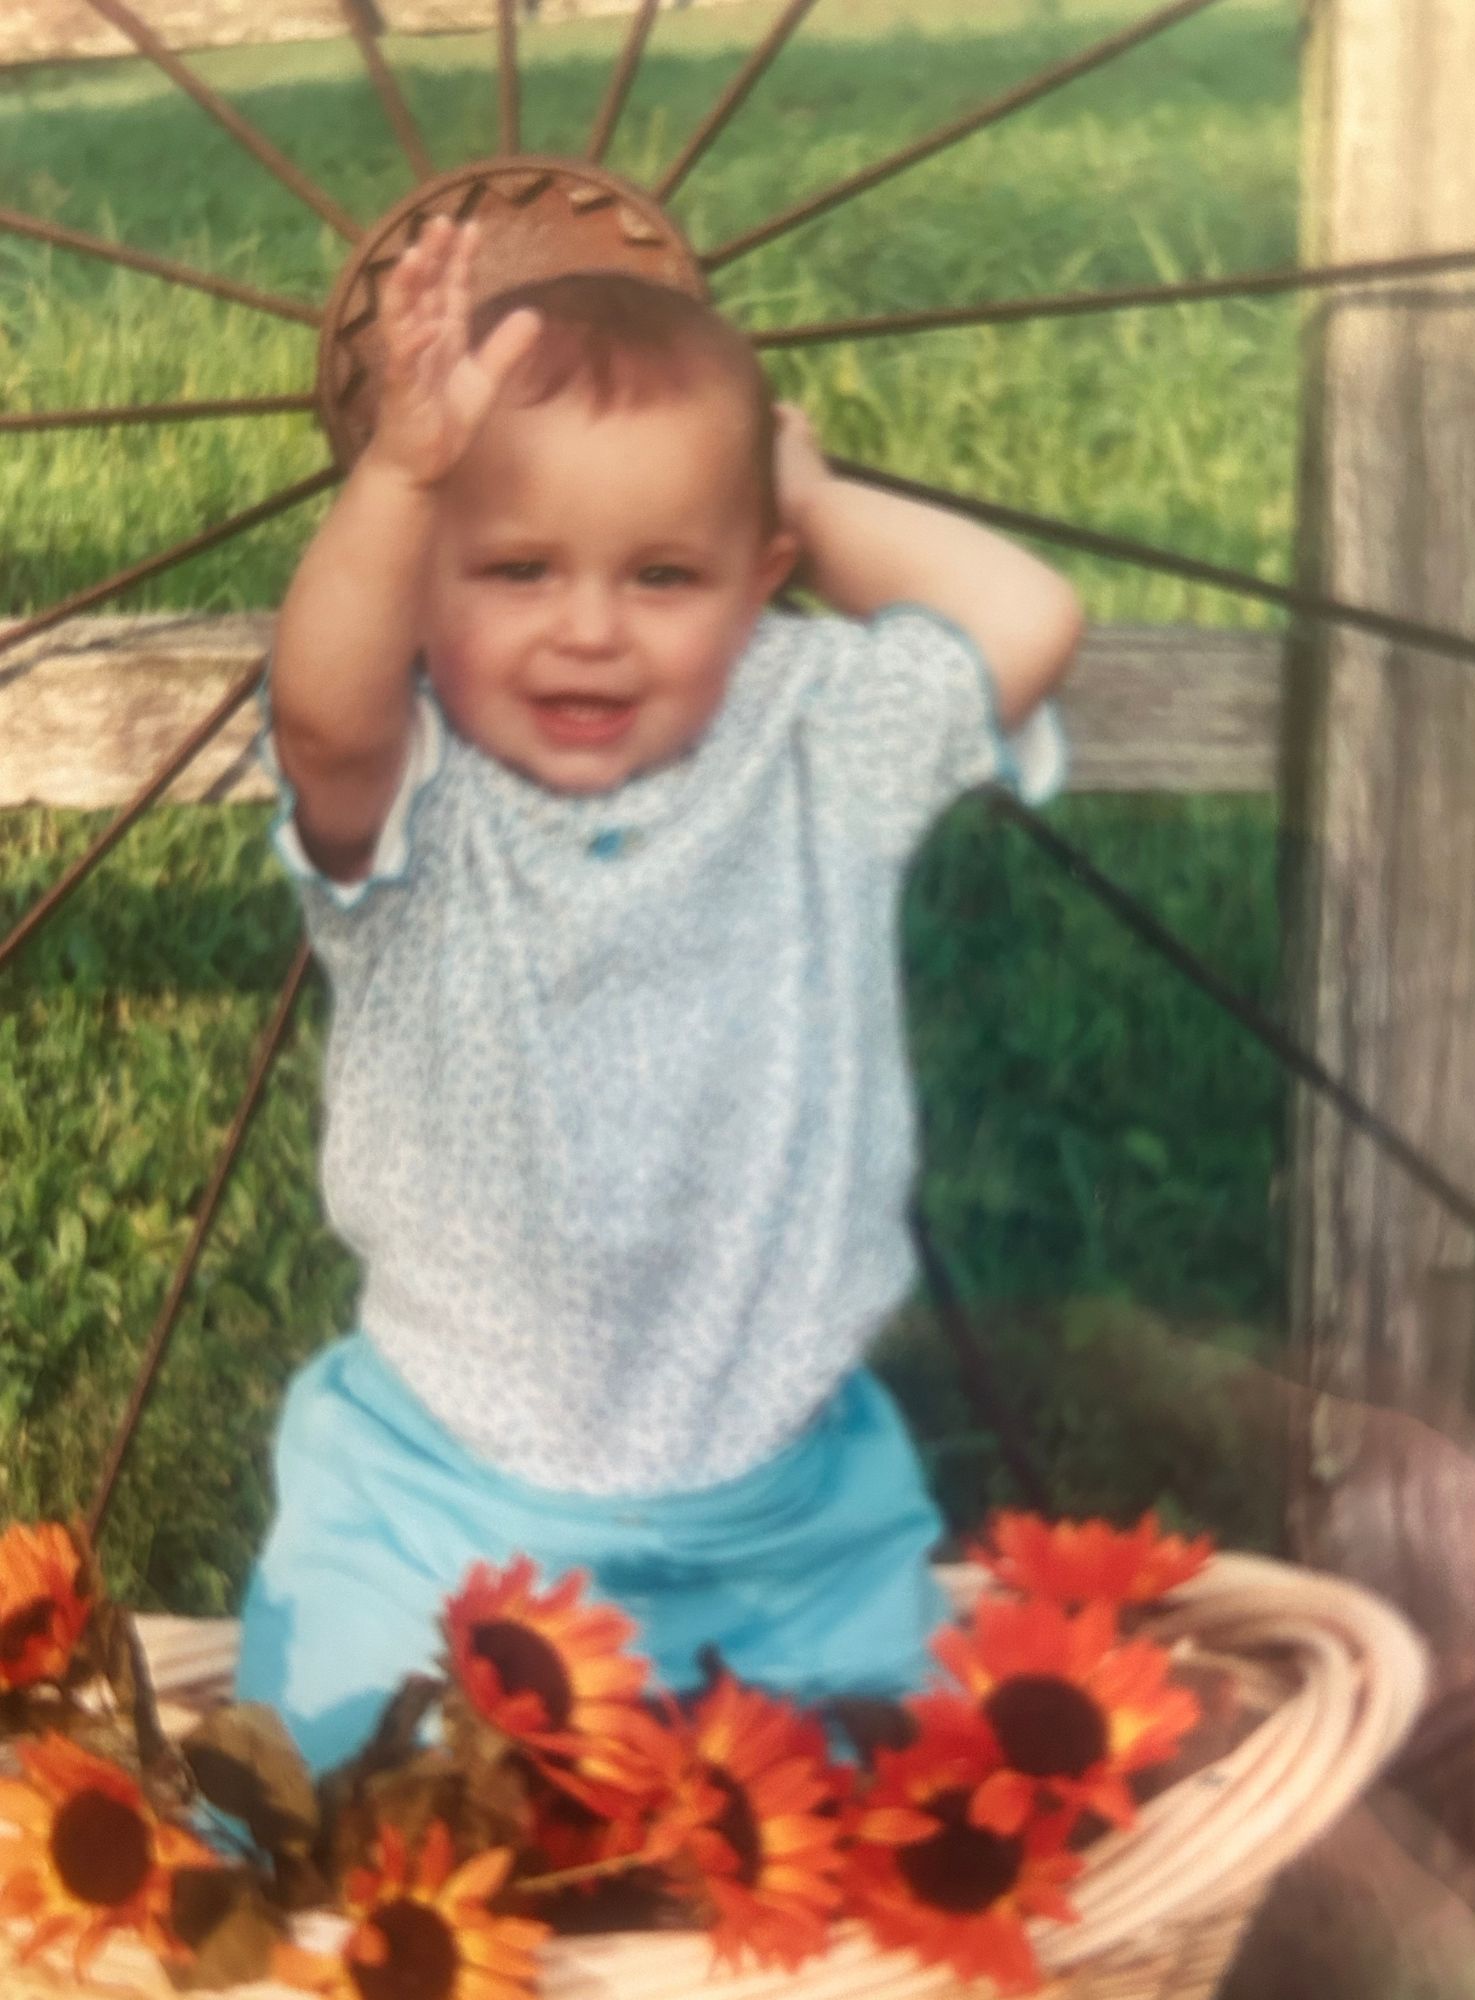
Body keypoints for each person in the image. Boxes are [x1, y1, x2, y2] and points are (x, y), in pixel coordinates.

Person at [234, 212, 1084, 1774]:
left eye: (666, 574)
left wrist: (814, 501)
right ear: (426, 586)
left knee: (867, 1816)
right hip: (442, 1494)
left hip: (777, 1503)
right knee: (335, 1807)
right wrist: (400, 480)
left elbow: (1030, 621)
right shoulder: (423, 796)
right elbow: (322, 714)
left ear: (761, 582)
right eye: (516, 569)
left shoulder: (813, 737)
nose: (589, 630)